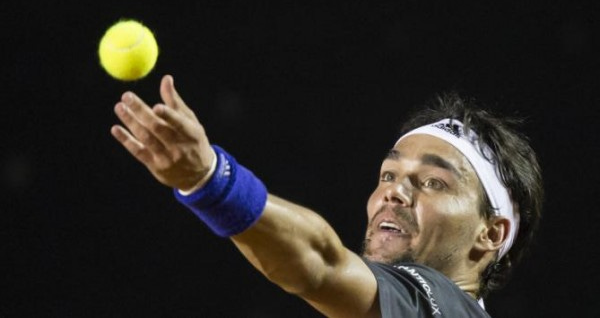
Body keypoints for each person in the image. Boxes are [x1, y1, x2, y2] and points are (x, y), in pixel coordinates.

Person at [111, 74, 543, 317]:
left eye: (433, 182)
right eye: (388, 174)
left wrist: (214, 182)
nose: (394, 193)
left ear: (491, 234)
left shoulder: (446, 308)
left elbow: (321, 264)